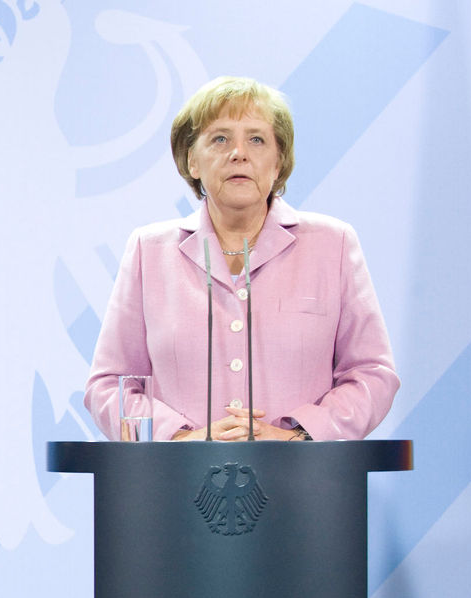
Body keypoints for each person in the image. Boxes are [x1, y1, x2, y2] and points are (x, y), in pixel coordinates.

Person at [84, 76, 398, 441]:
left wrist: (299, 437)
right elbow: (109, 386)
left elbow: (373, 374)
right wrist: (180, 439)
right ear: (192, 161)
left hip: (302, 484)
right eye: (220, 139)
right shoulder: (148, 250)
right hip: (179, 487)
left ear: (278, 162)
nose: (239, 153)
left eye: (257, 139)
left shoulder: (333, 244)